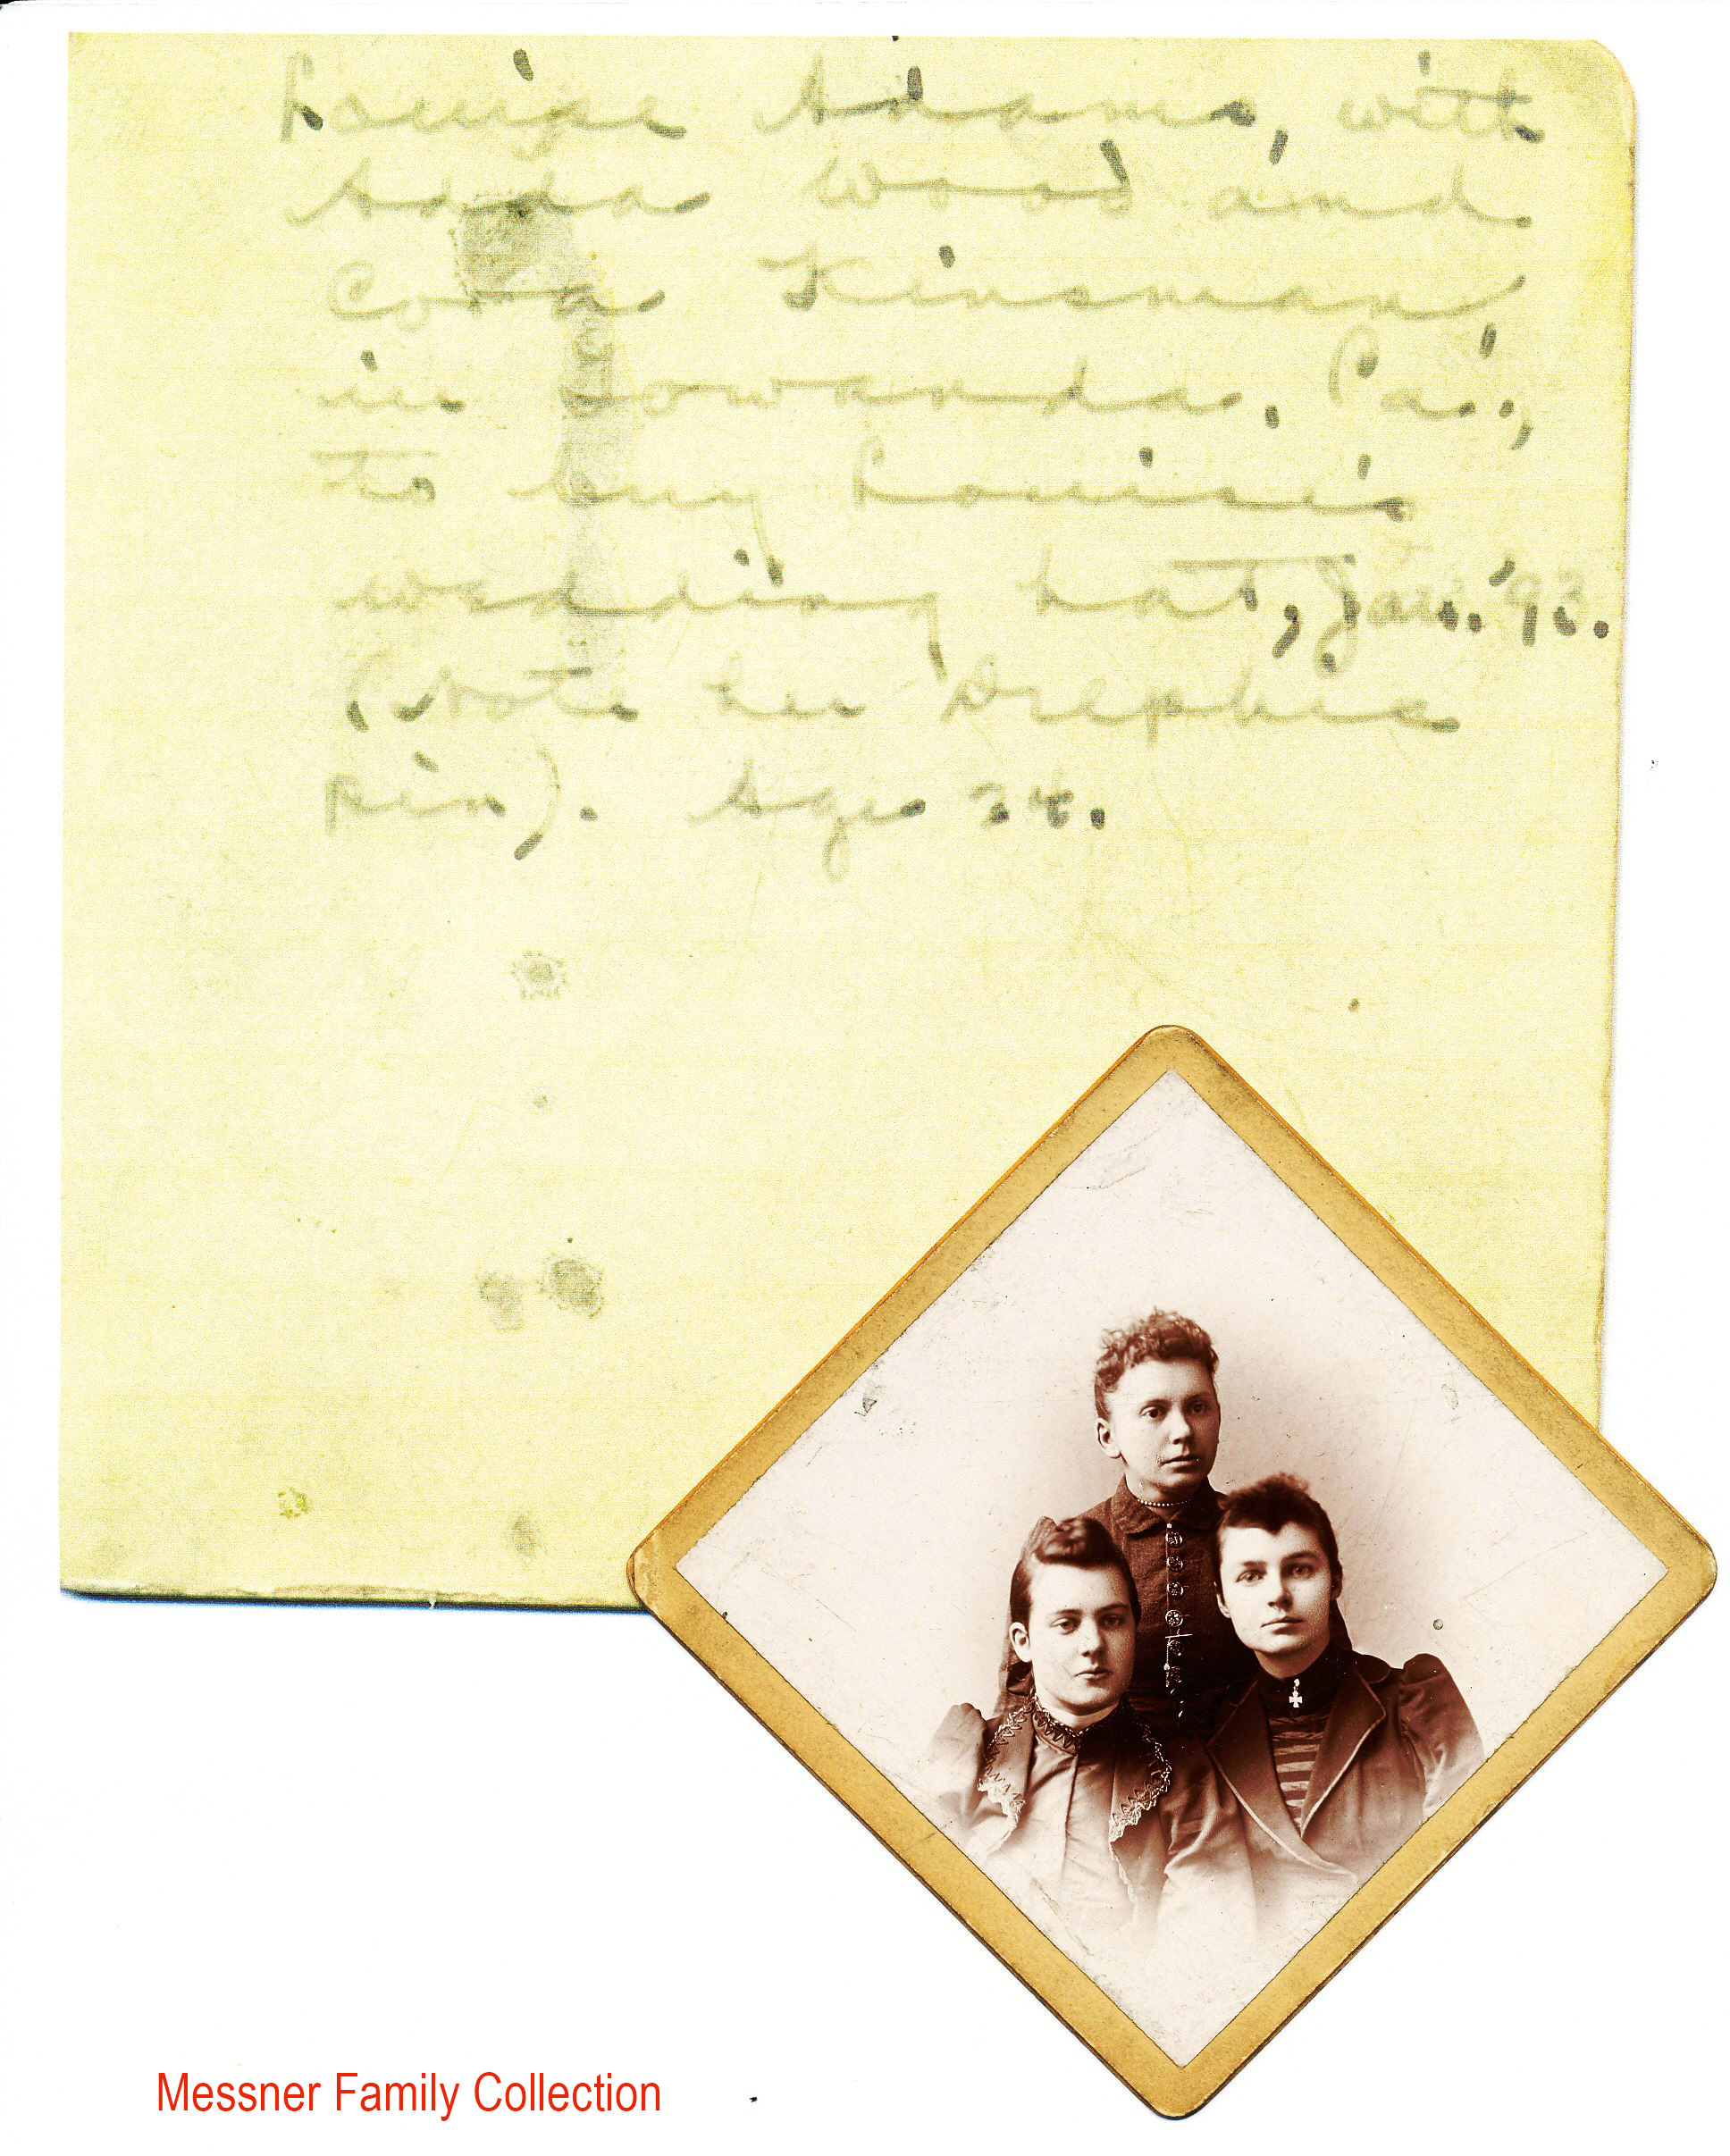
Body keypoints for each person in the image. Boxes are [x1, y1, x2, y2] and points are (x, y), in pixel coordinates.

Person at [928, 1515, 1255, 1967]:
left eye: (1112, 1620)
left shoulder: (1183, 1777)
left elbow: (1206, 1946)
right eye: (1066, 1624)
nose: (1093, 1644)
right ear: (1023, 1641)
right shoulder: (969, 1752)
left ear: (1134, 1631)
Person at [1205, 1474, 1484, 1959]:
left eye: (1299, 1569)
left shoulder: (1416, 1705)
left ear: (1334, 1580)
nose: (1278, 1594)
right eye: (1251, 1576)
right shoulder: (1211, 1733)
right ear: (1223, 1601)